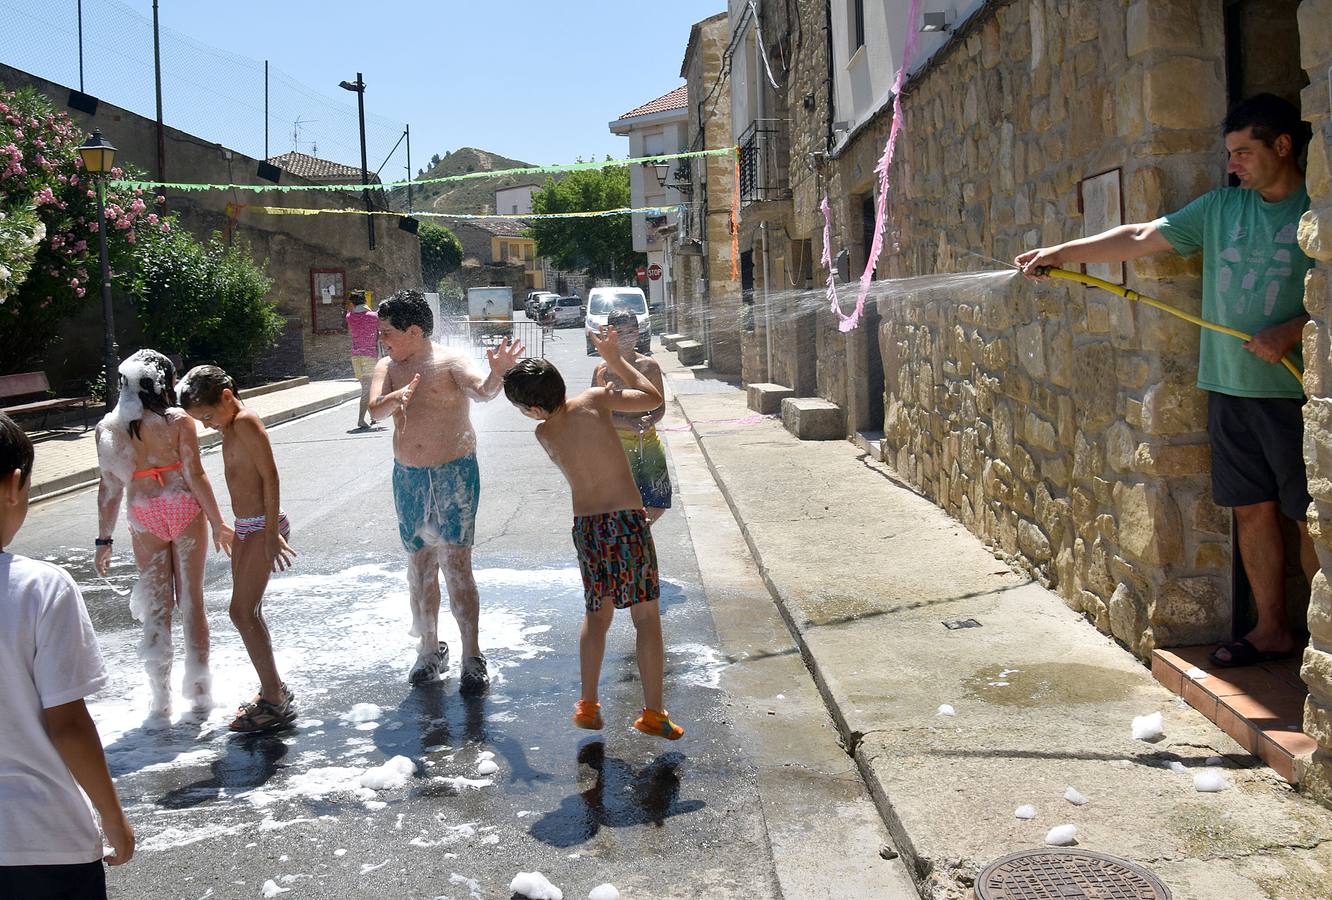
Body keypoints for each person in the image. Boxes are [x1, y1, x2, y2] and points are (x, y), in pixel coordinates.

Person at [1016, 93, 1317, 668]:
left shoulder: (1316, 210)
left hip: (1294, 393)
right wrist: (1062, 252)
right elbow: (1136, 237)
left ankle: (1323, 643)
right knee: (1251, 509)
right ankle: (1274, 630)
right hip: (1230, 389)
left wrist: (1292, 329)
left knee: (1309, 515)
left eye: (1243, 152)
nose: (1232, 165)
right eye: (1230, 154)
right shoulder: (1223, 209)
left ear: (1283, 145)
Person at [503, 326, 684, 740]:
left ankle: (588, 704)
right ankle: (653, 712)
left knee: (597, 615)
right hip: (625, 522)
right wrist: (617, 361)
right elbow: (652, 398)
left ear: (532, 409)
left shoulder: (544, 432)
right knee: (645, 617)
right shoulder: (595, 399)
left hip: (588, 530)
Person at [1, 412, 135, 895]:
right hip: (41, 840)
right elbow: (68, 723)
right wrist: (113, 816)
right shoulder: (39, 587)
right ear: (15, 485)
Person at [368, 289, 523, 692]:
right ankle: (428, 649)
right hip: (410, 477)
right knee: (420, 568)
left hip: (454, 473)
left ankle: (472, 654)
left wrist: (499, 372)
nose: (382, 339)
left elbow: (484, 391)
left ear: (414, 331)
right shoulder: (387, 367)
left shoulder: (450, 362)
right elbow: (374, 410)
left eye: (388, 332)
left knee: (456, 565)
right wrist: (394, 397)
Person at [94, 350, 233, 717]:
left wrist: (103, 540)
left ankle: (161, 700)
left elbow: (108, 489)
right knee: (192, 602)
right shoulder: (179, 421)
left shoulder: (110, 427)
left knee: (157, 609)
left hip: (144, 514)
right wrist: (219, 522)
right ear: (165, 382)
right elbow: (195, 474)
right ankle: (201, 693)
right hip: (183, 507)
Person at [178, 366, 298, 733]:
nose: (207, 425)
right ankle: (273, 690)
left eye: (208, 416)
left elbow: (270, 475)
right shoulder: (230, 427)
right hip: (248, 528)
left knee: (242, 612)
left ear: (228, 396)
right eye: (200, 420)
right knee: (247, 612)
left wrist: (270, 532)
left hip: (263, 526)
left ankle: (276, 699)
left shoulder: (245, 421)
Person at [590, 309, 672, 524]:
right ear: (610, 333)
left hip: (649, 442)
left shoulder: (649, 366)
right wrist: (625, 422)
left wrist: (650, 419)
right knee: (624, 504)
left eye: (632, 330)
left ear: (639, 332)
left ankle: (639, 534)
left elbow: (660, 407)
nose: (628, 336)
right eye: (621, 331)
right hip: (617, 447)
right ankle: (630, 539)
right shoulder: (602, 370)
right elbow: (596, 415)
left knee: (658, 501)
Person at [345, 290, 380, 431]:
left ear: (352, 303)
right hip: (369, 355)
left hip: (355, 356)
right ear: (365, 301)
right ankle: (361, 419)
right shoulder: (374, 316)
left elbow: (352, 331)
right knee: (367, 389)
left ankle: (373, 416)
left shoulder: (349, 317)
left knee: (368, 387)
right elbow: (379, 332)